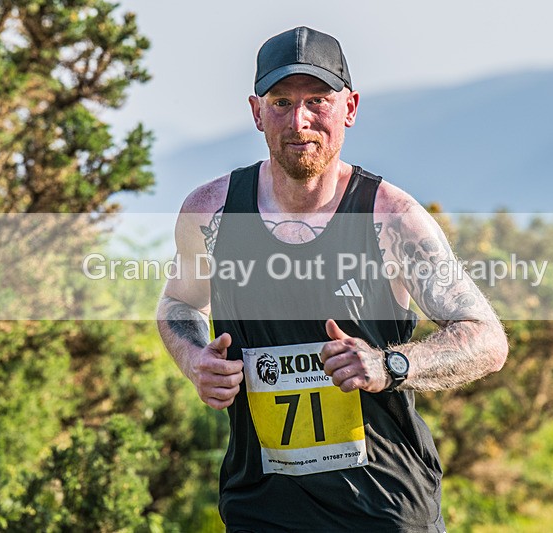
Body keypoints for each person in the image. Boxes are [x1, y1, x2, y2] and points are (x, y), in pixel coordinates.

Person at [157, 26, 508, 533]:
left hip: (383, 507)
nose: (299, 122)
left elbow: (487, 337)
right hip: (261, 507)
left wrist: (390, 364)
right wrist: (195, 361)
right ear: (257, 112)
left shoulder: (391, 218)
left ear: (351, 107)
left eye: (317, 101)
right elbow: (178, 304)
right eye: (281, 102)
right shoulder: (210, 213)